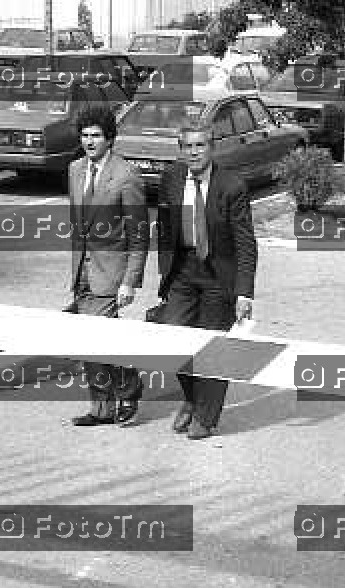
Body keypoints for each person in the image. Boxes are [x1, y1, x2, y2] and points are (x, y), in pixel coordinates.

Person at [154, 124, 258, 440]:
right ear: (181, 149)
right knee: (174, 338)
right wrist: (165, 271)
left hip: (219, 274)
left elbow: (245, 242)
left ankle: (206, 417)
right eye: (188, 146)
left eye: (200, 145)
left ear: (211, 147)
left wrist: (244, 292)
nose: (195, 151)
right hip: (183, 270)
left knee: (212, 346)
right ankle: (191, 397)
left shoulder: (232, 185)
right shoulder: (172, 179)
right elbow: (164, 226)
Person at [66, 105, 149, 426]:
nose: (89, 141)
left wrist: (130, 281)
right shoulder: (74, 170)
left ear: (109, 139)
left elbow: (138, 234)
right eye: (85, 135)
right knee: (88, 341)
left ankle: (129, 387)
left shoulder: (126, 176)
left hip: (111, 274)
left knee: (101, 339)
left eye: (96, 136)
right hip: (82, 272)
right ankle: (101, 409)